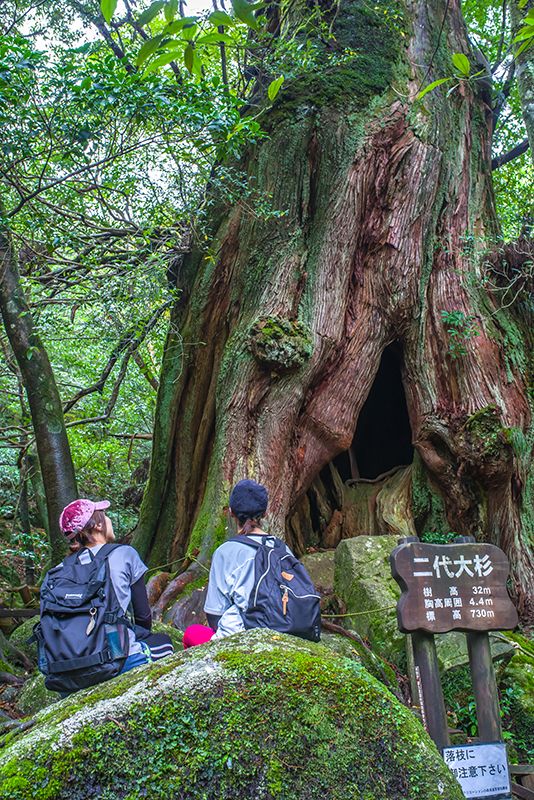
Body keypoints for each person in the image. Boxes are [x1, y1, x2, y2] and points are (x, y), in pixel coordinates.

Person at [183, 478, 321, 647]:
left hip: (242, 638)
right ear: (264, 513)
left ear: (231, 512)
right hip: (286, 629)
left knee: (191, 634)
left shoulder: (225, 551)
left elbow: (214, 614)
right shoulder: (280, 547)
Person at [59, 498, 174, 671]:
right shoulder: (124, 554)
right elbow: (143, 615)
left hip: (69, 665)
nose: (108, 520)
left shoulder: (60, 569)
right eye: (105, 516)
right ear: (97, 526)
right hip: (116, 658)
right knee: (165, 643)